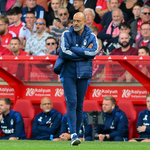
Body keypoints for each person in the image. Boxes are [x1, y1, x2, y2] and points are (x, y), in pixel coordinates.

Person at [54, 12, 98, 145]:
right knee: (72, 103)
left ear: (85, 22)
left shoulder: (92, 36)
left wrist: (74, 49)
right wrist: (83, 53)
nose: (76, 23)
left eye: (79, 21)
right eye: (74, 20)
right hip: (68, 73)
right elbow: (63, 52)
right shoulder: (66, 34)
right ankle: (73, 134)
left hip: (83, 74)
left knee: (79, 106)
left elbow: (94, 52)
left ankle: (76, 134)